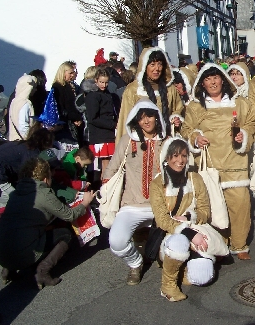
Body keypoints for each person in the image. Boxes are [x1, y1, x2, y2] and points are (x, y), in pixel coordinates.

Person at [182, 64, 255, 260]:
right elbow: (186, 129)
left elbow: (251, 123)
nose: (213, 82)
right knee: (214, 206)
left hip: (235, 162)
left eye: (215, 78)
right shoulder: (195, 106)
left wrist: (244, 135)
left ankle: (239, 244)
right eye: (208, 79)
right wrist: (196, 138)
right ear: (202, 83)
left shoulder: (240, 103)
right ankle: (220, 243)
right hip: (209, 163)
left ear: (223, 79)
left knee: (240, 204)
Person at [0, 158, 95, 288]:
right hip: (22, 255)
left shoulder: (15, 193)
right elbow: (69, 215)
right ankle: (42, 271)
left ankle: (8, 270)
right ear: (45, 179)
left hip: (0, 255)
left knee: (17, 230)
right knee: (65, 234)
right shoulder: (43, 194)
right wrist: (85, 202)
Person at [103, 100, 166, 285]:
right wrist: (105, 187)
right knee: (117, 242)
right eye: (141, 118)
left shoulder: (166, 140)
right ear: (136, 120)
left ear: (157, 117)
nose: (146, 121)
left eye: (150, 116)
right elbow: (112, 168)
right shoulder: (127, 140)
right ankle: (135, 263)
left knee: (170, 251)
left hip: (161, 205)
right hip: (132, 204)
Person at [150, 137, 217, 302]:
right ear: (167, 157)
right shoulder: (158, 184)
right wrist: (188, 232)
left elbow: (205, 211)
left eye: (184, 156)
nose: (180, 160)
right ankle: (168, 285)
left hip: (195, 227)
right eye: (175, 155)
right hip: (170, 234)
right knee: (179, 242)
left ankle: (183, 267)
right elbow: (162, 220)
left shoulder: (195, 178)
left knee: (202, 277)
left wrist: (189, 217)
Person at [116, 47, 183, 143]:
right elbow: (125, 119)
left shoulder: (170, 89)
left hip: (165, 141)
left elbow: (178, 108)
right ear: (144, 66)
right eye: (152, 64)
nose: (157, 68)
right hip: (140, 142)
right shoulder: (133, 90)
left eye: (160, 64)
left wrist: (175, 118)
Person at [0, 128, 55, 209]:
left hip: (0, 172)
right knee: (16, 202)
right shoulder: (30, 153)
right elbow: (25, 178)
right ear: (46, 143)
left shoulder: (22, 144)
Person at [85, 68, 117, 173]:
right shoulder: (93, 95)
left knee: (108, 164)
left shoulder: (107, 94)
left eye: (106, 82)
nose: (104, 85)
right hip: (99, 135)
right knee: (105, 165)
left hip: (108, 133)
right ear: (96, 80)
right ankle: (104, 183)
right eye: (101, 82)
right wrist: (112, 124)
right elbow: (93, 118)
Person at [52, 61, 83, 144]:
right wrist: (75, 118)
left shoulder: (70, 86)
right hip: (65, 125)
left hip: (73, 122)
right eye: (70, 73)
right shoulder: (57, 87)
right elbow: (61, 108)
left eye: (73, 73)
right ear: (63, 73)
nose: (72, 75)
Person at [8, 74, 37, 141]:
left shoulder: (15, 101)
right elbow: (23, 126)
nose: (35, 90)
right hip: (21, 142)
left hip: (13, 140)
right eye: (33, 88)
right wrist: (31, 140)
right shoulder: (24, 103)